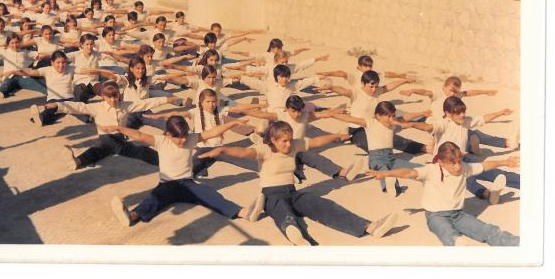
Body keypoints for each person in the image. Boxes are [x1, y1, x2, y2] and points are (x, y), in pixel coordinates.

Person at [198, 120, 401, 245]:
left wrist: (336, 136)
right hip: (270, 196)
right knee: (284, 215)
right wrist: (221, 150)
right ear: (273, 140)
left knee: (324, 205)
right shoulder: (264, 150)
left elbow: (316, 142)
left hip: (293, 192)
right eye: (284, 141)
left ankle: (370, 227)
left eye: (290, 140)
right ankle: (298, 239)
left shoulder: (295, 145)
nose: (288, 144)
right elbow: (243, 152)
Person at [107, 115, 257, 227]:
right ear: (168, 134)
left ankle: (244, 212)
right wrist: (120, 128)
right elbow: (140, 135)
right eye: (178, 137)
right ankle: (132, 216)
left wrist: (232, 123)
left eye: (185, 136)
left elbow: (212, 132)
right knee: (153, 199)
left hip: (188, 184)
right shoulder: (161, 141)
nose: (183, 140)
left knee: (211, 195)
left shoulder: (190, 139)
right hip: (166, 185)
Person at [368, 141, 519, 246]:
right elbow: (409, 172)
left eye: (459, 161)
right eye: (453, 163)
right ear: (441, 162)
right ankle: (459, 246)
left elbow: (484, 165)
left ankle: (517, 244)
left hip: (458, 215)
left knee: (487, 230)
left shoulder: (465, 168)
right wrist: (386, 173)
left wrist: (505, 161)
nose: (458, 166)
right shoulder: (431, 170)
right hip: (435, 216)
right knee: (447, 232)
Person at [406, 96, 518, 204]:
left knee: (492, 172)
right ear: (448, 114)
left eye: (463, 111)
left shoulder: (466, 121)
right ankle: (488, 194)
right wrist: (412, 124)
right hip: (446, 163)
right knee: (466, 179)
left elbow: (483, 118)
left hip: (462, 158)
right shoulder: (443, 124)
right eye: (458, 113)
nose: (462, 115)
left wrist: (501, 112)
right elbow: (428, 127)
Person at [52, 81, 181, 170]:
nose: (113, 100)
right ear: (103, 96)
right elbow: (79, 107)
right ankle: (166, 161)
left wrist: (167, 99)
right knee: (138, 150)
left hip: (120, 139)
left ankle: (77, 162)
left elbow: (145, 103)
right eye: (109, 97)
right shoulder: (97, 107)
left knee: (100, 151)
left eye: (115, 97)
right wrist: (58, 105)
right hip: (106, 138)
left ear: (119, 95)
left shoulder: (125, 105)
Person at [239, 95, 366, 183]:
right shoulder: (281, 115)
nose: (297, 114)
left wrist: (336, 111)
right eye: (293, 111)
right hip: (281, 150)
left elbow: (324, 114)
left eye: (299, 111)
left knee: (315, 158)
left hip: (297, 147)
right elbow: (261, 114)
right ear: (287, 109)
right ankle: (263, 140)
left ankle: (344, 172)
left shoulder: (305, 116)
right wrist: (241, 110)